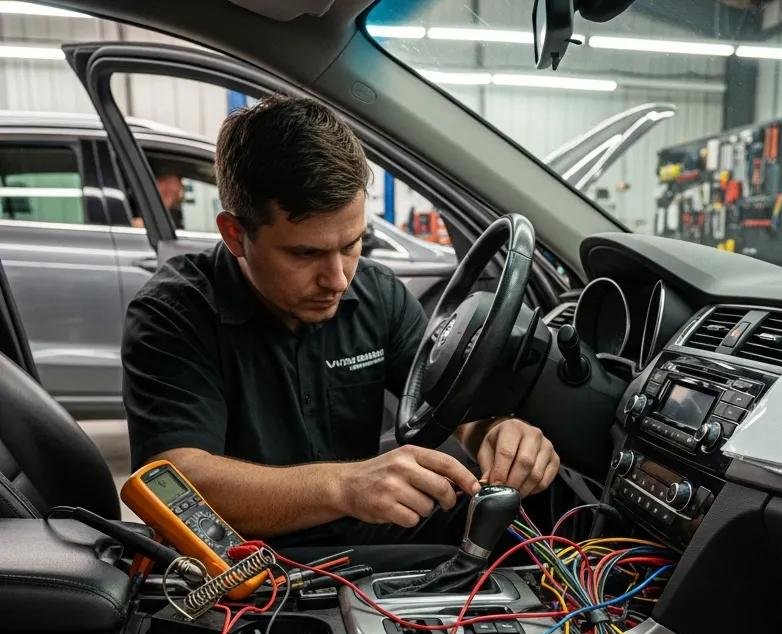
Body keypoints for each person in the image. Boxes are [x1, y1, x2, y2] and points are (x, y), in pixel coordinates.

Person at [121, 95, 560, 560]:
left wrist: (497, 432)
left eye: (353, 244)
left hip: (364, 541)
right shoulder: (173, 313)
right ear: (235, 234)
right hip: (247, 562)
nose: (338, 279)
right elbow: (173, 483)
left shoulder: (378, 295)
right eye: (304, 254)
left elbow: (446, 397)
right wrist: (345, 486)